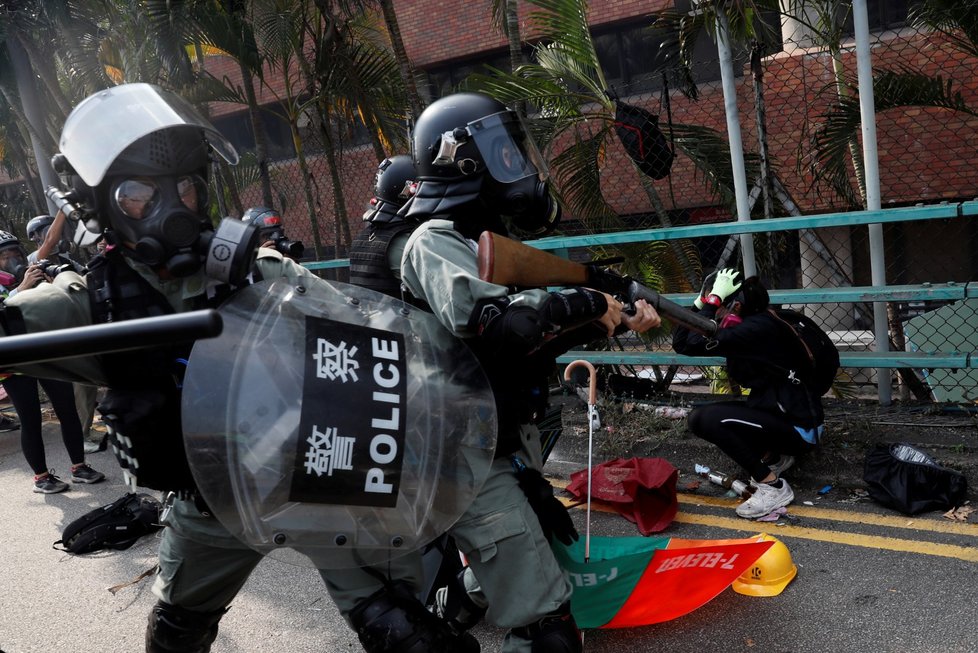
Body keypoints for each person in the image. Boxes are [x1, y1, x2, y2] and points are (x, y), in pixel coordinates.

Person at [0, 82, 356, 652]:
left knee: (400, 622)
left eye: (185, 186)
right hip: (208, 500)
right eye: (138, 194)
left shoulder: (260, 271)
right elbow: (13, 325)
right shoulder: (90, 302)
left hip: (313, 479)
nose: (171, 207)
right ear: (100, 206)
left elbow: (367, 331)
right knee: (175, 637)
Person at [330, 91, 660, 653]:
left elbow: (516, 343)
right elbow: (502, 326)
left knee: (527, 544)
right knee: (546, 632)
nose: (518, 164)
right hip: (457, 453)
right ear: (465, 160)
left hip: (484, 442)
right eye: (504, 151)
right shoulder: (431, 241)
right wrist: (586, 302)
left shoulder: (465, 242)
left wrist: (613, 320)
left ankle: (450, 608)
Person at [672, 268, 825, 519]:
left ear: (736, 306)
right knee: (720, 416)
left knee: (702, 419)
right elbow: (680, 343)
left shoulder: (755, 330)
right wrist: (702, 300)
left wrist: (709, 303)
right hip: (783, 416)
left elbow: (687, 343)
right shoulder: (758, 322)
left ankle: (774, 487)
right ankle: (773, 458)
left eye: (721, 301)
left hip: (798, 429)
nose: (717, 310)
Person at [0, 230, 104, 493]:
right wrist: (21, 288)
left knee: (68, 411)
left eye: (14, 254)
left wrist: (50, 283)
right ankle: (41, 477)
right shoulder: (14, 285)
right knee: (31, 419)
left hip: (47, 355)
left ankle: (79, 467)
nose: (11, 260)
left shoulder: (32, 276)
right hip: (14, 364)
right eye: (3, 256)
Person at [26, 214, 104, 455]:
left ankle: (87, 429)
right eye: (47, 230)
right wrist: (62, 209)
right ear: (36, 237)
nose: (55, 234)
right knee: (80, 384)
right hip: (53, 333)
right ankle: (81, 435)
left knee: (87, 384)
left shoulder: (65, 259)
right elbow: (50, 240)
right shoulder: (35, 260)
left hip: (74, 327)